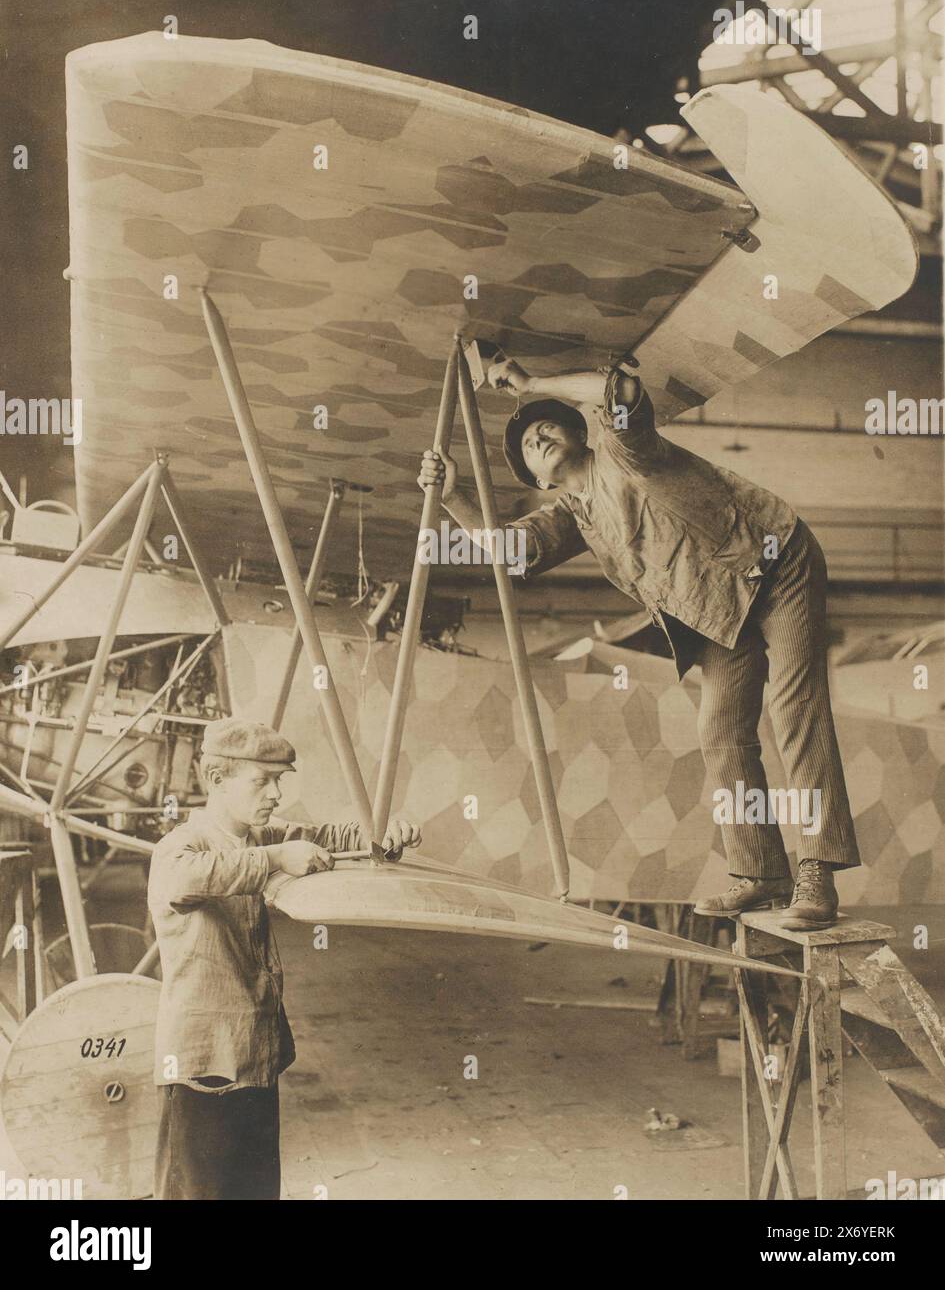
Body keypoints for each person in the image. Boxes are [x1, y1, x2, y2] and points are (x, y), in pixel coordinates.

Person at [417, 347, 859, 929]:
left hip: (775, 561)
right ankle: (760, 871)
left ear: (579, 433)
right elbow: (510, 552)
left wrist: (531, 381)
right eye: (528, 444)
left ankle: (817, 871)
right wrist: (453, 495)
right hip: (717, 608)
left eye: (547, 425)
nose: (539, 436)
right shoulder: (574, 515)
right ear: (536, 479)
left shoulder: (624, 452)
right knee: (721, 730)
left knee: (793, 708)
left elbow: (618, 391)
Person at [148, 716, 421, 1200]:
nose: (275, 793)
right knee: (202, 1193)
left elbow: (331, 837)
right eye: (262, 781)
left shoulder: (259, 837)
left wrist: (384, 832)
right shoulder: (182, 846)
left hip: (254, 1053)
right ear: (217, 779)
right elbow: (186, 880)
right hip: (204, 1061)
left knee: (255, 1192)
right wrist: (276, 861)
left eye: (279, 780)